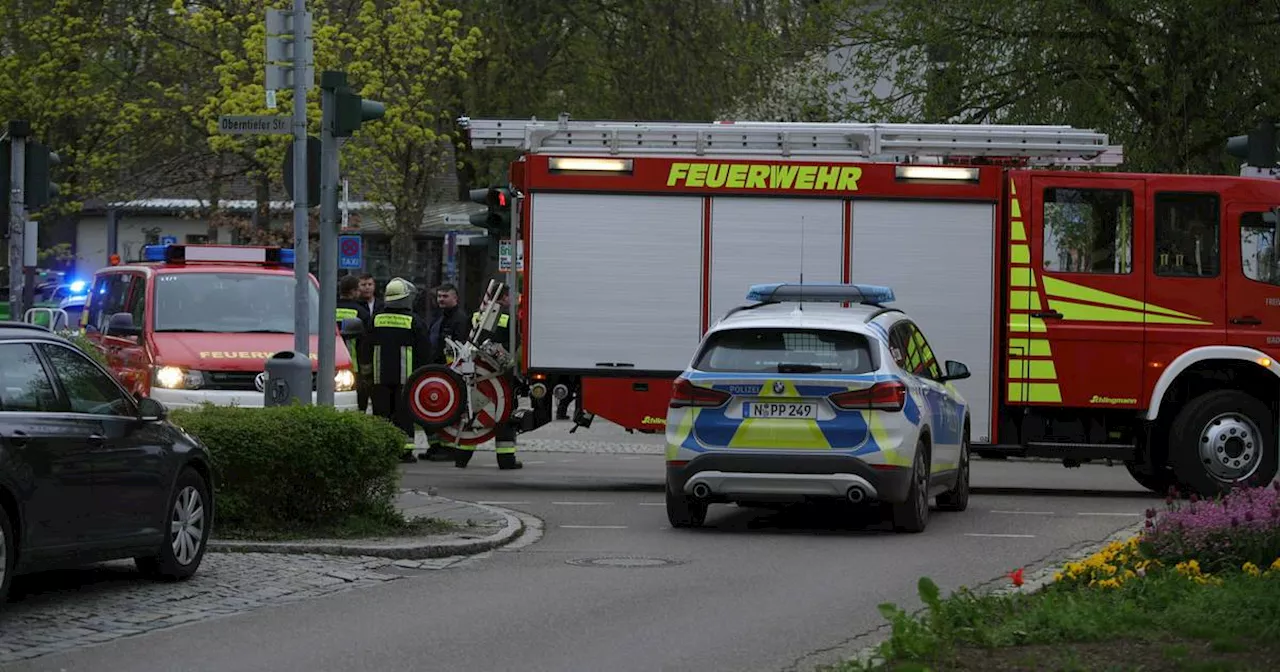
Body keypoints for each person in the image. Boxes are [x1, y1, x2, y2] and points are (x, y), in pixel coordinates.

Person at [456, 283, 522, 470]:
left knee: (472, 413)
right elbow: (514, 345)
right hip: (501, 375)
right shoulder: (509, 318)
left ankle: (461, 458)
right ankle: (506, 460)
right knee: (505, 415)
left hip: (476, 374)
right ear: (505, 298)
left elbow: (465, 340)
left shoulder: (476, 316)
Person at [369, 277, 431, 464]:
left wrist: (365, 372)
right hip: (407, 377)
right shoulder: (414, 321)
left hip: (379, 376)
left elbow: (365, 346)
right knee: (404, 414)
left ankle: (382, 450)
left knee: (381, 414)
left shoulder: (376, 319)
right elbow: (424, 350)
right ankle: (404, 452)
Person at [420, 283, 472, 461]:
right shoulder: (439, 316)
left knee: (448, 411)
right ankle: (435, 446)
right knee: (432, 409)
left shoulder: (460, 318)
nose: (441, 299)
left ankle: (448, 449)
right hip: (437, 368)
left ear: (455, 298)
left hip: (450, 371)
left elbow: (460, 347)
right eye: (439, 296)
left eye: (445, 296)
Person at [335, 275, 372, 411]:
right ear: (352, 292)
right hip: (353, 363)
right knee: (357, 402)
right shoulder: (360, 312)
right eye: (358, 289)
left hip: (329, 362)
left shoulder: (329, 309)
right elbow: (367, 341)